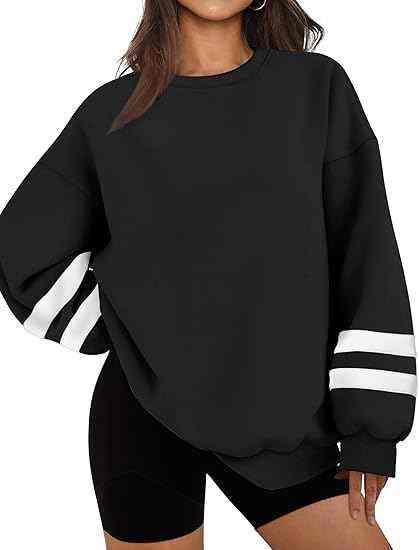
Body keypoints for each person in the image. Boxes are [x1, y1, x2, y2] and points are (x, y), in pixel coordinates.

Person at [0, 0, 416, 548]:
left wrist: (371, 429)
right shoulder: (110, 114)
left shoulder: (316, 89)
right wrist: (127, 327)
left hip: (287, 423)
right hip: (143, 417)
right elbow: (22, 247)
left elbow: (366, 256)